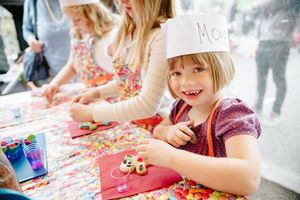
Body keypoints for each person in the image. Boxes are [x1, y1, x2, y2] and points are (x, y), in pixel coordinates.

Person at [137, 14, 262, 195]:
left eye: (198, 69)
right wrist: (168, 131)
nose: (186, 82)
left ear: (221, 66)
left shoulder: (232, 114)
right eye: (177, 73)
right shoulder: (182, 106)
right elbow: (159, 129)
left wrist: (172, 157)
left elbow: (249, 179)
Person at [69, 0, 174, 129]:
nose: (122, 1)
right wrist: (96, 93)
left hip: (159, 128)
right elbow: (129, 83)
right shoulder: (130, 30)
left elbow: (147, 106)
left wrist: (91, 113)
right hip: (133, 122)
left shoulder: (160, 37)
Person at [42, 0, 117, 103]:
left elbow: (124, 77)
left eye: (77, 20)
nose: (73, 24)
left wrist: (97, 92)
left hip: (110, 98)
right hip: (89, 96)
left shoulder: (112, 37)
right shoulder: (80, 36)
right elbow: (71, 67)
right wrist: (55, 83)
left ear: (93, 15)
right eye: (70, 19)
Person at [250, 0, 300, 125]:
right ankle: (258, 106)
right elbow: (254, 10)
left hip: (281, 41)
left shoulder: (290, 4)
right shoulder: (268, 7)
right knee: (261, 78)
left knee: (278, 78)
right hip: (264, 40)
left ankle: (276, 111)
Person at [22, 0, 71, 78]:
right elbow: (26, 29)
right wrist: (31, 40)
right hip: (50, 71)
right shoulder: (32, 2)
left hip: (82, 65)